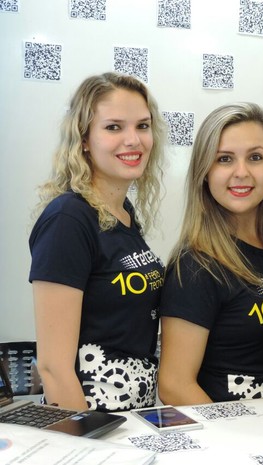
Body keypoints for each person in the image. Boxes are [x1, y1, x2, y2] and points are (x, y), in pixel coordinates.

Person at [29, 72, 166, 412]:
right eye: (114, 127)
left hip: (133, 419)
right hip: (90, 422)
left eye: (143, 126)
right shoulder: (68, 220)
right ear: (84, 139)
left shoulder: (124, 213)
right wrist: (87, 444)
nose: (133, 140)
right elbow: (53, 367)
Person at [158, 103, 263, 404]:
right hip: (237, 439)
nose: (242, 172)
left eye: (255, 157)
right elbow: (174, 385)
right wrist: (232, 444)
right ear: (204, 171)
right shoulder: (195, 268)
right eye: (224, 159)